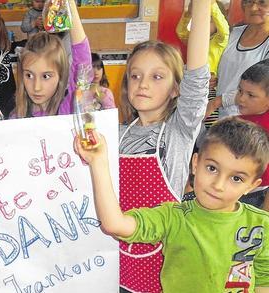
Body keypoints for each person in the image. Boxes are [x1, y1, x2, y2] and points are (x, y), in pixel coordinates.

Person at [75, 116, 269, 292]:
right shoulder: (172, 217)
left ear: (251, 186)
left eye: (236, 178)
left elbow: (263, 280)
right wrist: (98, 162)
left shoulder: (261, 225)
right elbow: (115, 224)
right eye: (212, 168)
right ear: (195, 164)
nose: (218, 185)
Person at [116, 0, 211, 291]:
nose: (143, 84)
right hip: (117, 260)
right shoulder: (118, 133)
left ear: (175, 89)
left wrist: (203, 5)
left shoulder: (178, 132)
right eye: (136, 75)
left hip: (162, 263)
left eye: (157, 76)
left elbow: (197, 75)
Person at [12, 0, 90, 118]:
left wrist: (69, 3)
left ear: (61, 76)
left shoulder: (67, 109)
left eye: (46, 76)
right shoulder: (16, 117)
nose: (36, 87)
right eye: (29, 75)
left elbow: (82, 62)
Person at [208, 0, 269, 119]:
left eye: (262, 2)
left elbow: (262, 87)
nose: (253, 8)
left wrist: (217, 102)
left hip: (249, 122)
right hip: (217, 116)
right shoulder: (232, 34)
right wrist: (211, 77)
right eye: (249, 2)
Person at [176, 0, 229, 128]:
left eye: (209, 19)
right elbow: (181, 32)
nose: (203, 22)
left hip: (210, 88)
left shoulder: (219, 41)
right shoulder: (194, 40)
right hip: (192, 84)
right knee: (191, 118)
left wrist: (211, 6)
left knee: (209, 121)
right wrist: (188, 14)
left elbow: (224, 30)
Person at [228, 60, 269, 210]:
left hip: (255, 196)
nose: (241, 98)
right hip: (234, 189)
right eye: (240, 91)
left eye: (251, 95)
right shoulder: (240, 120)